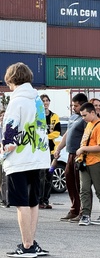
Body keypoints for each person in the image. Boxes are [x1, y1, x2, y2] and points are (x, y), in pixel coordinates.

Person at [0, 62, 50, 258]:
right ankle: (32, 243)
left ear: (11, 79)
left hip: (20, 159)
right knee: (33, 201)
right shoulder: (37, 99)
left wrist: (2, 152)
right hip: (39, 157)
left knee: (21, 203)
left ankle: (27, 245)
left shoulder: (16, 101)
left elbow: (10, 134)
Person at [54, 93, 88, 222]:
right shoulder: (73, 118)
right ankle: (74, 210)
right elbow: (67, 134)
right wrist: (58, 149)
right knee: (70, 182)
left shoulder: (86, 119)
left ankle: (82, 211)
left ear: (83, 104)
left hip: (79, 155)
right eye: (73, 105)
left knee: (80, 184)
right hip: (70, 154)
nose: (74, 108)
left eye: (76, 105)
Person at [75, 102, 100, 226]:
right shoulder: (88, 125)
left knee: (99, 190)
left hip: (96, 162)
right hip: (84, 162)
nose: (83, 118)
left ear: (92, 112)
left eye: (85, 115)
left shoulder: (99, 126)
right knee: (84, 189)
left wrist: (84, 149)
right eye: (81, 115)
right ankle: (85, 215)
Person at [39, 94, 61, 209]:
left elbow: (57, 132)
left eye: (47, 100)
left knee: (49, 175)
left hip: (51, 151)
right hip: (40, 151)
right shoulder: (37, 116)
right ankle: (39, 200)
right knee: (40, 177)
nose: (45, 103)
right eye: (43, 101)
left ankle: (46, 200)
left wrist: (45, 136)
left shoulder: (54, 116)